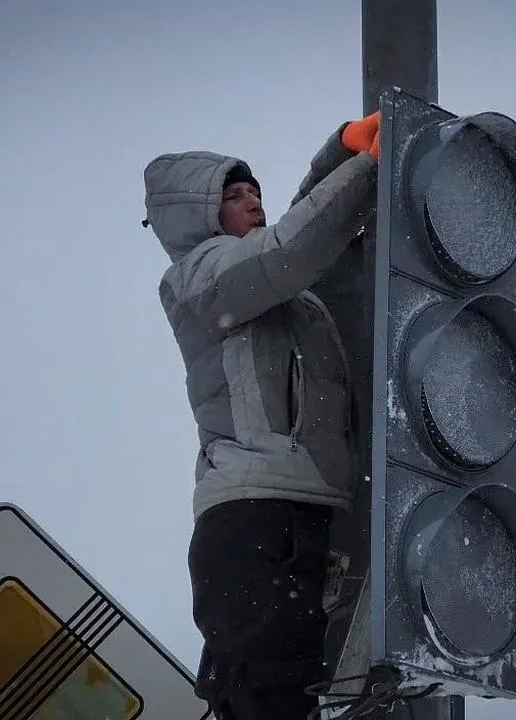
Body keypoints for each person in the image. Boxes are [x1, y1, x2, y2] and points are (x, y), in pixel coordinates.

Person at [140, 111, 382, 720]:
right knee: (270, 700)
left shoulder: (278, 285)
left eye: (255, 192)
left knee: (327, 696)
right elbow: (295, 245)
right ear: (199, 214)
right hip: (252, 518)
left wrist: (344, 150)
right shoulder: (201, 275)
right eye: (233, 195)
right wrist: (369, 166)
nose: (253, 202)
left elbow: (305, 226)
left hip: (307, 515)